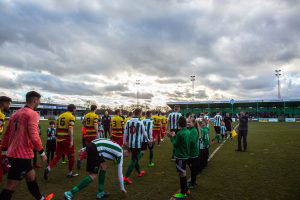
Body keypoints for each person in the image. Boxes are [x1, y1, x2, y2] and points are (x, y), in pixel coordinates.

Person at [0, 91, 52, 200]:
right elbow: (34, 135)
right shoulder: (33, 114)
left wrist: (4, 151)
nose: (39, 102)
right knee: (10, 186)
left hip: (17, 154)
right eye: (39, 101)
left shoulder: (16, 113)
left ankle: (41, 198)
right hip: (21, 156)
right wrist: (42, 152)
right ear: (35, 100)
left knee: (31, 176)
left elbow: (6, 134)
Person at [44, 104, 78, 180]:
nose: (75, 110)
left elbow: (57, 127)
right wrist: (71, 140)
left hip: (59, 139)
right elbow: (70, 129)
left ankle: (48, 168)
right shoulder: (71, 116)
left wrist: (56, 135)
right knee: (71, 155)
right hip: (66, 139)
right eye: (75, 109)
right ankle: (70, 172)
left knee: (58, 156)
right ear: (73, 109)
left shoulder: (60, 116)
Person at [123, 108, 150, 184]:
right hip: (137, 144)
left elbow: (125, 133)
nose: (142, 114)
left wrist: (124, 142)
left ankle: (139, 172)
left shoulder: (128, 121)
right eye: (141, 113)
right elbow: (144, 134)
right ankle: (126, 177)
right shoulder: (140, 122)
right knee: (134, 159)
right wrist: (148, 141)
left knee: (135, 158)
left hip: (131, 143)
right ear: (139, 113)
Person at [169, 116, 190, 199]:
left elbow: (175, 144)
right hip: (185, 155)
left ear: (179, 124)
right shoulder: (187, 131)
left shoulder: (180, 133)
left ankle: (183, 193)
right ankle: (186, 189)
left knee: (182, 174)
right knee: (183, 172)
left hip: (181, 156)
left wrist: (171, 136)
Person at [77, 105, 99, 169]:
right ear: (95, 109)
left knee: (87, 148)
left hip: (87, 134)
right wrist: (97, 133)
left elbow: (83, 124)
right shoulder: (95, 115)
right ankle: (94, 161)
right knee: (94, 148)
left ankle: (80, 159)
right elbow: (95, 124)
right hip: (92, 134)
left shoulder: (86, 115)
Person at [0, 96, 12, 183]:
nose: (9, 106)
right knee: (4, 165)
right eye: (8, 103)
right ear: (3, 103)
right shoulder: (0, 115)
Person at [187, 116, 199, 189]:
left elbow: (192, 142)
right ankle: (192, 181)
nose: (187, 123)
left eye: (189, 122)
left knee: (193, 168)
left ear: (194, 123)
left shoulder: (193, 131)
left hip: (193, 153)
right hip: (190, 153)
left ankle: (193, 183)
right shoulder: (190, 129)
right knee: (192, 168)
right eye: (187, 122)